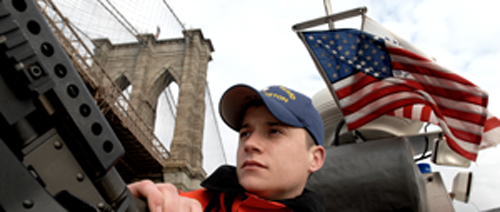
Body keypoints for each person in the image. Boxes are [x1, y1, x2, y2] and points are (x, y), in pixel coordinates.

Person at [128, 84, 326, 212]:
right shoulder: (184, 205)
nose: (249, 144)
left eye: (274, 131)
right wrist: (129, 203)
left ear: (315, 158)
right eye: (245, 133)